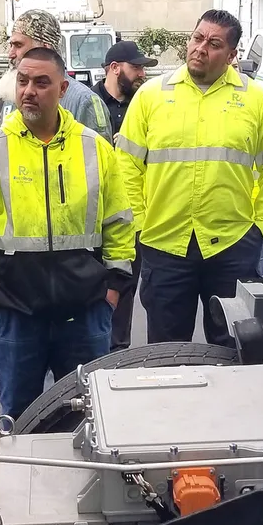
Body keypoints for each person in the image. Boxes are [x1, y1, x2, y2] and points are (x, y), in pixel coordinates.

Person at [0, 46, 135, 419]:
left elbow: (118, 224)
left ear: (63, 89)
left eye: (41, 82)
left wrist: (112, 289)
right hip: (15, 315)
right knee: (20, 417)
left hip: (85, 314)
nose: (29, 90)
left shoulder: (96, 149)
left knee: (87, 416)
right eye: (22, 81)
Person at [116, 9, 263, 347]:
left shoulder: (257, 102)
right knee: (167, 352)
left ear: (232, 55)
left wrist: (259, 228)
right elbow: (126, 167)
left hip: (232, 246)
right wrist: (140, 224)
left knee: (233, 351)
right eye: (197, 38)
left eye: (214, 43)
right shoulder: (151, 97)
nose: (200, 48)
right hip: (164, 244)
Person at [94, 39, 157, 350]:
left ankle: (119, 351)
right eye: (137, 67)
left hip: (132, 212)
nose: (142, 74)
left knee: (126, 283)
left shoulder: (141, 106)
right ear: (115, 68)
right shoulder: (89, 104)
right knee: (96, 284)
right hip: (94, 214)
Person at [0, 9, 113, 138]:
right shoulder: (11, 99)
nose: (11, 54)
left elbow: (99, 154)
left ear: (44, 49)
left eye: (18, 45)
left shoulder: (84, 102)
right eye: (11, 45)